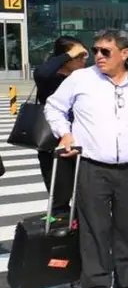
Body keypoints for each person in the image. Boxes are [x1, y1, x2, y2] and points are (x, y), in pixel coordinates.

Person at [43, 29, 128, 288]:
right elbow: (53, 107)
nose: (98, 56)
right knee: (95, 230)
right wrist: (65, 134)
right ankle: (97, 287)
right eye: (96, 50)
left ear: (124, 54)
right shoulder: (81, 79)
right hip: (92, 167)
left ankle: (127, 278)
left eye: (105, 51)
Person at [32, 36, 88, 214]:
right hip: (53, 146)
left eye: (83, 55)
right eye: (77, 56)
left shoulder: (85, 78)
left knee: (86, 199)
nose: (82, 60)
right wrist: (69, 54)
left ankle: (84, 238)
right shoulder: (50, 78)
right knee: (59, 200)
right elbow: (41, 73)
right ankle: (62, 238)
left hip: (82, 144)